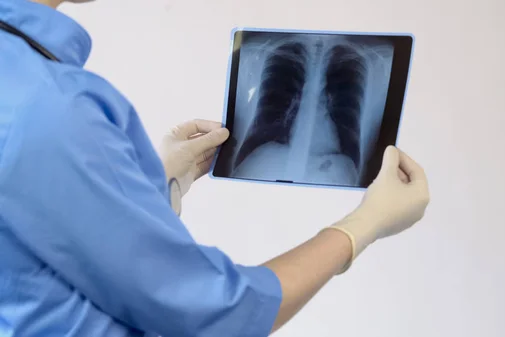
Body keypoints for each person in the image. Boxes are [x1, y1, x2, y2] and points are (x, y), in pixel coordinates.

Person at [0, 0, 430, 336]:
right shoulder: (51, 109)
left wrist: (157, 186)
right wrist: (362, 226)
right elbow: (219, 313)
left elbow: (37, 243)